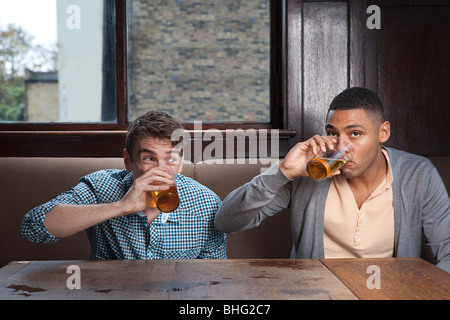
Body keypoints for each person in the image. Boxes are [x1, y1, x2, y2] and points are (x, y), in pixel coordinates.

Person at [214, 87, 450, 272]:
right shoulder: (309, 173)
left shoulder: (418, 174)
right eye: (333, 134)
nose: (341, 147)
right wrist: (283, 171)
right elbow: (226, 222)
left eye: (355, 134)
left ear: (383, 133)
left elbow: (447, 250)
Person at [22, 110, 226, 259]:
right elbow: (33, 228)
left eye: (171, 159)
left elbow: (214, 278)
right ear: (128, 160)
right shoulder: (101, 186)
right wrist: (120, 206)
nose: (160, 169)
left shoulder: (206, 203)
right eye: (149, 159)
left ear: (181, 163)